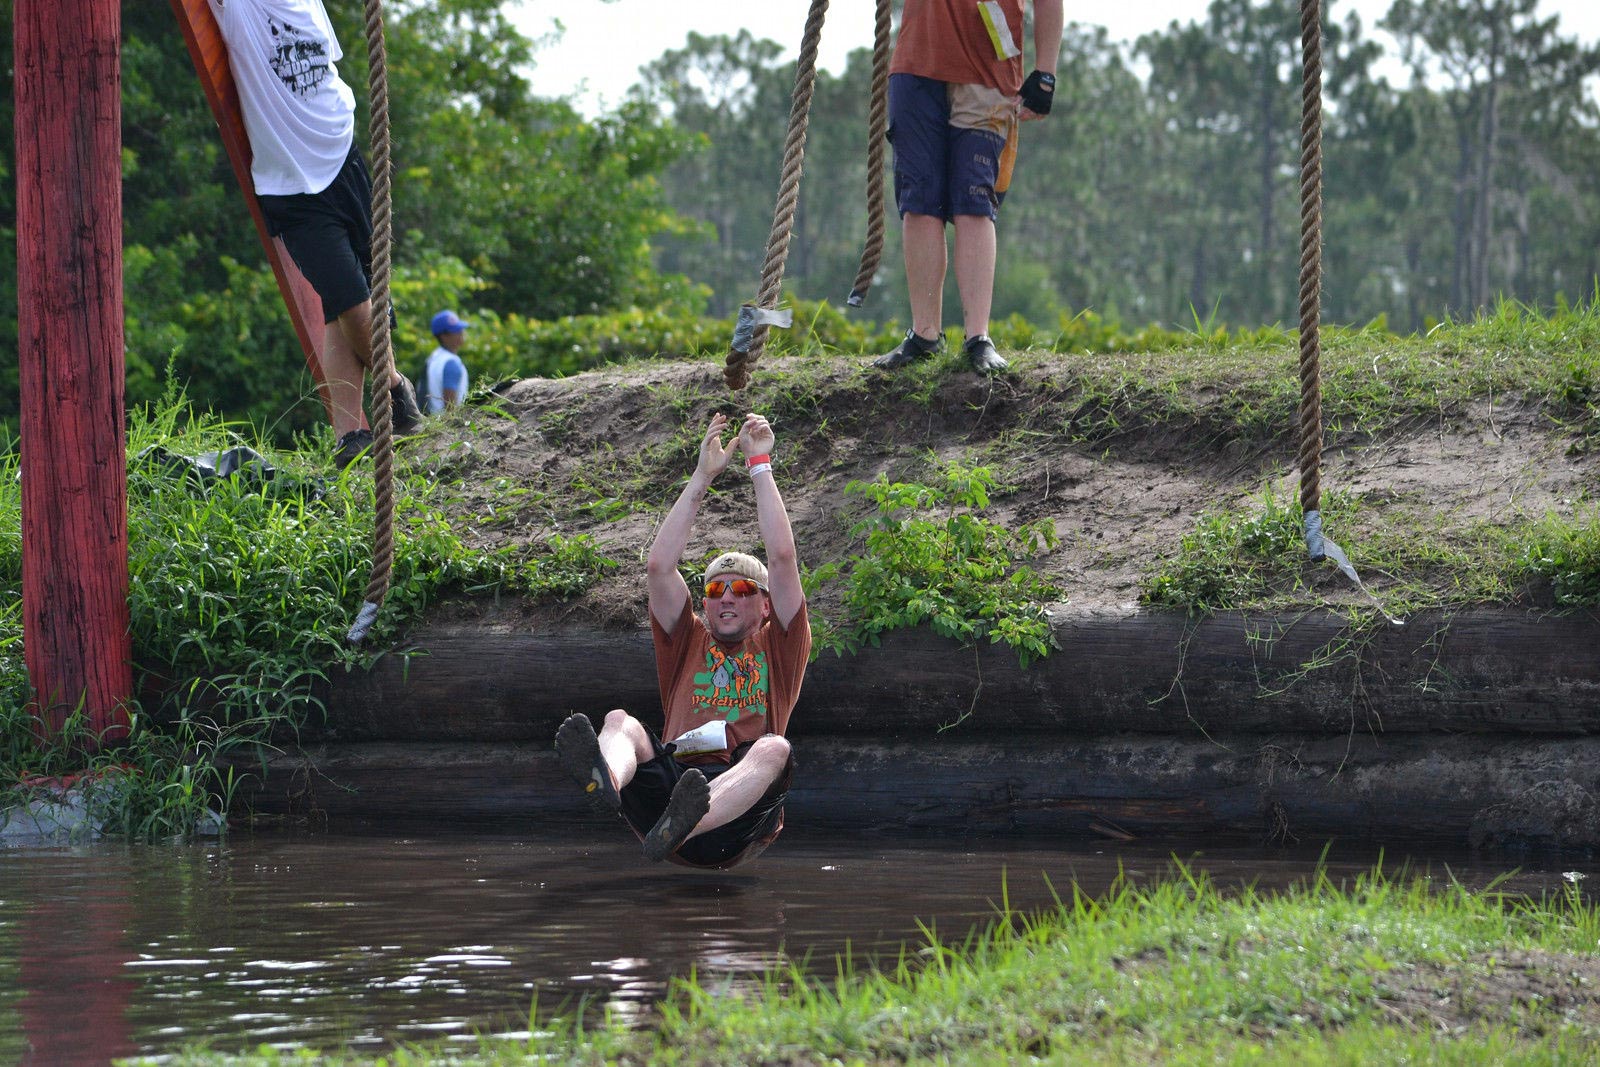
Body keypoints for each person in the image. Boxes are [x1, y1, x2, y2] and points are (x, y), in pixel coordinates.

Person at [555, 412, 810, 868]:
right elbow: (658, 568)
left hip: (735, 814)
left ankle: (689, 818)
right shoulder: (687, 637)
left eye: (743, 589)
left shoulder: (780, 645)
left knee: (775, 748)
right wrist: (702, 476)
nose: (726, 598)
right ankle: (606, 782)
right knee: (620, 722)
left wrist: (760, 464)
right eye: (715, 590)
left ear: (766, 606)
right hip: (670, 795)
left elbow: (784, 558)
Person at [210, 0, 423, 467]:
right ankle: (394, 386)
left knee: (339, 309)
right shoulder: (241, 6)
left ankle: (349, 435)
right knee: (350, 300)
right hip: (292, 187)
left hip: (344, 157)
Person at [871, 0, 1064, 376]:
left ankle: (978, 336)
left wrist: (1046, 71)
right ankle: (924, 335)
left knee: (974, 202)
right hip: (915, 64)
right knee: (919, 201)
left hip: (987, 69)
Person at [422, 310, 471, 414]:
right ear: (444, 336)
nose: (461, 332)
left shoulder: (434, 357)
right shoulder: (451, 362)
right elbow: (450, 407)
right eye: (455, 331)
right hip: (448, 426)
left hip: (433, 421)